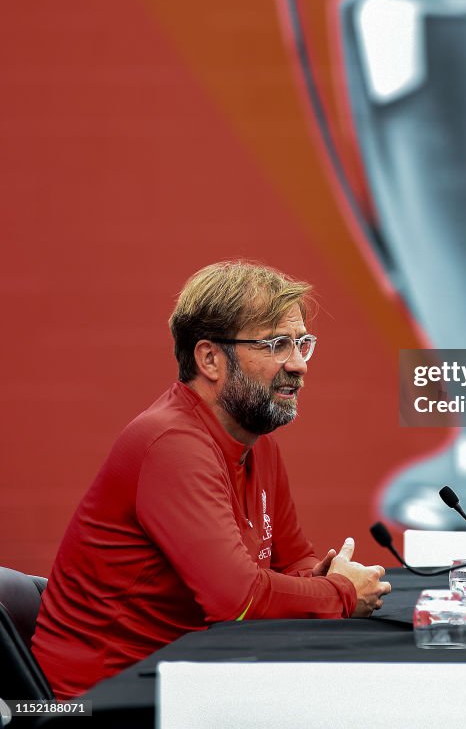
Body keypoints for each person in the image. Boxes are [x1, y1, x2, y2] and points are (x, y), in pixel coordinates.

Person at [32, 261, 391, 698]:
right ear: (210, 358)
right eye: (278, 344)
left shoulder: (257, 442)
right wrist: (339, 595)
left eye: (303, 344)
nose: (299, 365)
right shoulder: (170, 444)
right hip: (97, 701)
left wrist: (321, 578)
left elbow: (291, 562)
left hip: (185, 683)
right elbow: (236, 601)